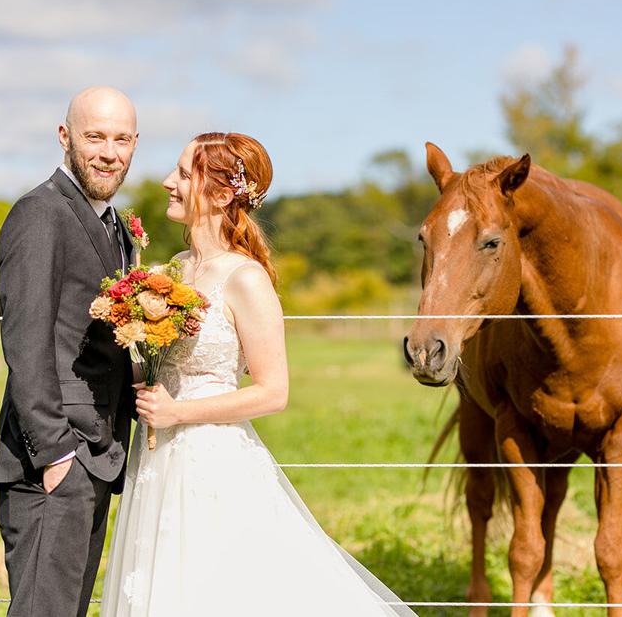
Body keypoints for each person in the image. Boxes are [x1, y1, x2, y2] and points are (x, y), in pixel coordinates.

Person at [99, 132, 415, 616]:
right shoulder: (176, 269)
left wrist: (177, 411)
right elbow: (162, 361)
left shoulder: (245, 278)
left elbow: (273, 392)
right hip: (158, 459)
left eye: (184, 174)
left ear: (222, 195)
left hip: (210, 458)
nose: (168, 182)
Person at [0, 86, 140, 617]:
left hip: (100, 454)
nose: (108, 151)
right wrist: (54, 453)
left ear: (135, 144)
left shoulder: (117, 226)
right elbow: (25, 342)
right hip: (55, 458)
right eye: (94, 136)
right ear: (64, 137)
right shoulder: (40, 214)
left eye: (121, 139)